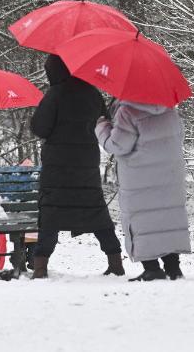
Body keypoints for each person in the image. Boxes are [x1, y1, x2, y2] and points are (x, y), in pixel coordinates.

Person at [29, 55, 125, 278]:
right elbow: (104, 120)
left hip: (57, 167)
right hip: (86, 165)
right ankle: (115, 261)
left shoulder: (54, 95)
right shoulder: (92, 93)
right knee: (96, 212)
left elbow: (39, 128)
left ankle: (40, 267)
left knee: (51, 215)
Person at [95, 100, 191, 281]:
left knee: (143, 220)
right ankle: (173, 267)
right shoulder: (169, 109)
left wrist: (102, 126)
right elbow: (179, 136)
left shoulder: (128, 111)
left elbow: (117, 145)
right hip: (169, 173)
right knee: (166, 218)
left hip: (138, 175)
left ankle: (152, 267)